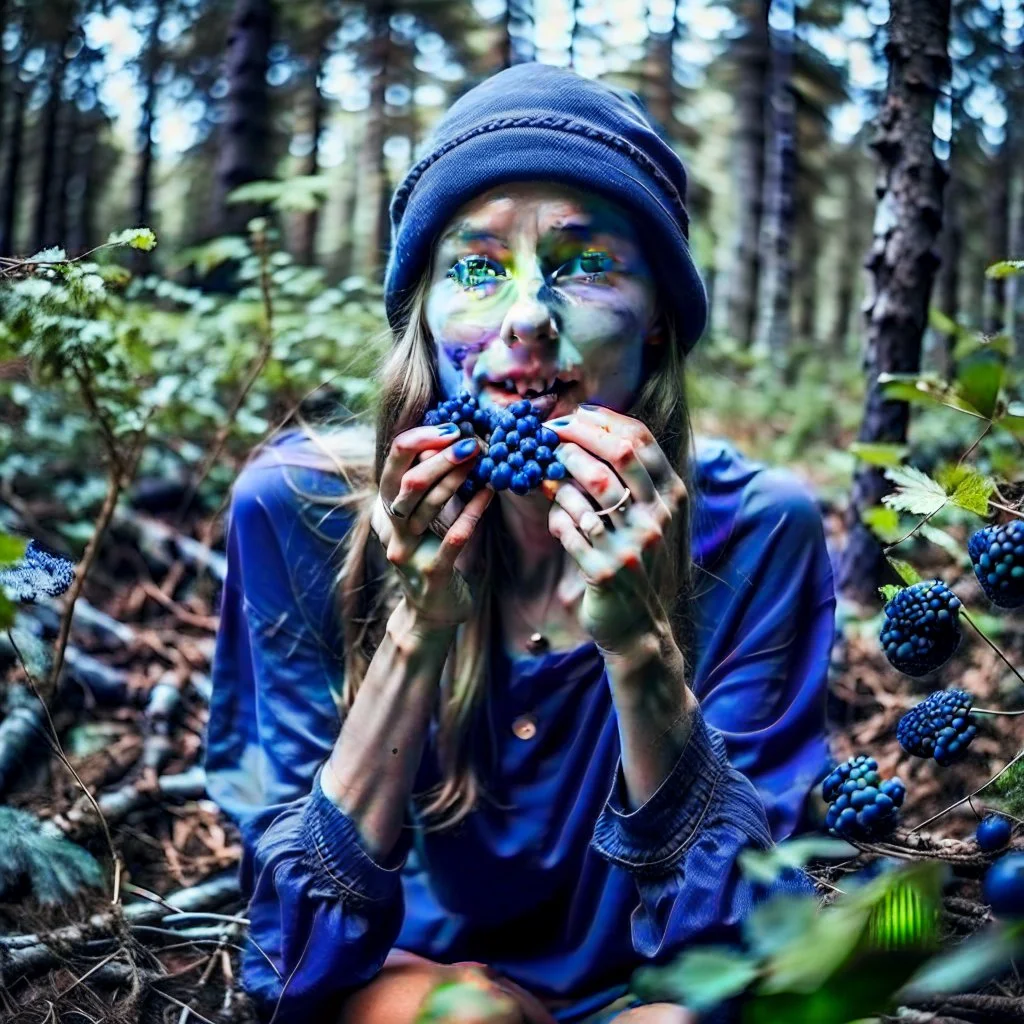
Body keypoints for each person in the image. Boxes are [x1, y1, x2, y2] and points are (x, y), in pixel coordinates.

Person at [205, 62, 837, 1024]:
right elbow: (289, 954)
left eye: (586, 264)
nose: (530, 318)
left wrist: (638, 648)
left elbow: (745, 942)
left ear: (661, 315)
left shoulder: (758, 534)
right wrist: (417, 626)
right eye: (475, 267)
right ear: (422, 314)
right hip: (396, 980)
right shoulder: (298, 512)